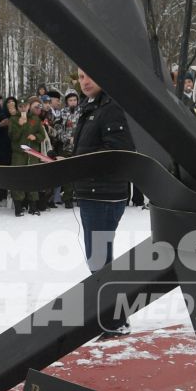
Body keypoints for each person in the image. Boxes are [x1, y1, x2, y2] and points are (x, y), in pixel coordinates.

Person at [69, 68, 134, 292]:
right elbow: (90, 149)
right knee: (97, 262)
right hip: (92, 192)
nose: (84, 81)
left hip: (104, 195)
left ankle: (115, 318)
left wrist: (78, 163)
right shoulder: (92, 106)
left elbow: (116, 152)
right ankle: (112, 316)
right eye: (80, 77)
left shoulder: (111, 107)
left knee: (100, 264)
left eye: (89, 74)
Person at [5, 100, 49, 215]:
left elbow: (42, 135)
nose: (23, 108)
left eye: (25, 106)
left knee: (32, 178)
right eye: (20, 106)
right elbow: (13, 137)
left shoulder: (35, 118)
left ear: (29, 106)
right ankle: (18, 207)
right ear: (18, 107)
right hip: (18, 154)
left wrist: (35, 136)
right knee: (18, 178)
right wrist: (20, 125)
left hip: (32, 154)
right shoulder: (13, 119)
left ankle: (33, 206)